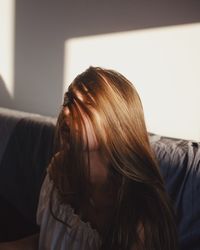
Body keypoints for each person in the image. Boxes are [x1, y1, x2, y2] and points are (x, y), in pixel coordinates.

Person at [0, 66, 178, 250]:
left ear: (116, 123)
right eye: (69, 101)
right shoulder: (60, 169)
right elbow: (48, 239)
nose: (67, 112)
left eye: (86, 105)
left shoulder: (139, 219)